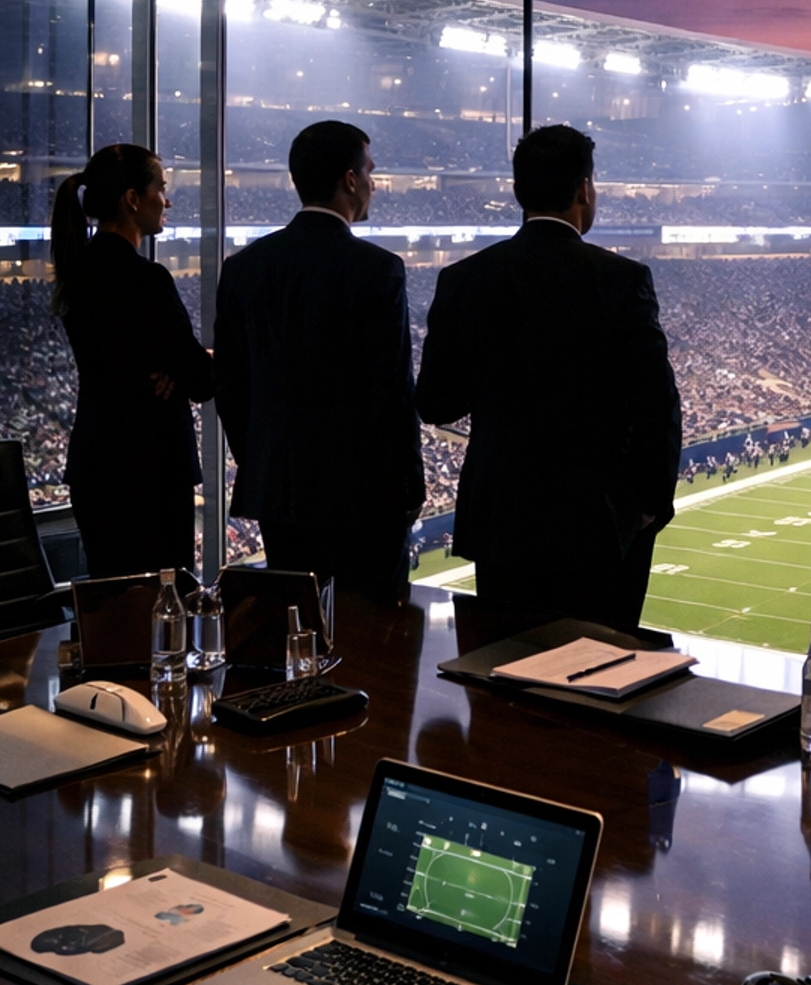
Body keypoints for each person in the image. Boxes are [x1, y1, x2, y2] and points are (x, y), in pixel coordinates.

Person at [415, 123, 681, 630]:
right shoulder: (621, 281)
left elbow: (435, 403)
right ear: (584, 188)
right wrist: (649, 507)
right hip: (598, 521)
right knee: (600, 680)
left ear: (519, 191)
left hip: (502, 519)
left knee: (505, 677)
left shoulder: (465, 280)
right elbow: (657, 404)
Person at [214, 121, 424, 604]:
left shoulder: (245, 268)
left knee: (296, 632)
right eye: (370, 171)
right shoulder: (377, 269)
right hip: (366, 494)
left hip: (281, 492)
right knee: (375, 639)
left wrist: (263, 458)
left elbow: (229, 385)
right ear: (350, 180)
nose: (374, 183)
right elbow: (391, 391)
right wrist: (409, 486)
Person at [50, 142, 214, 576]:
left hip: (95, 465)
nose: (168, 198)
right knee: (161, 618)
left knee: (116, 613)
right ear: (132, 199)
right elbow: (200, 379)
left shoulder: (77, 274)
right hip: (151, 471)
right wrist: (187, 366)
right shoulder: (146, 278)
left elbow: (130, 365)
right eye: (161, 187)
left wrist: (175, 368)